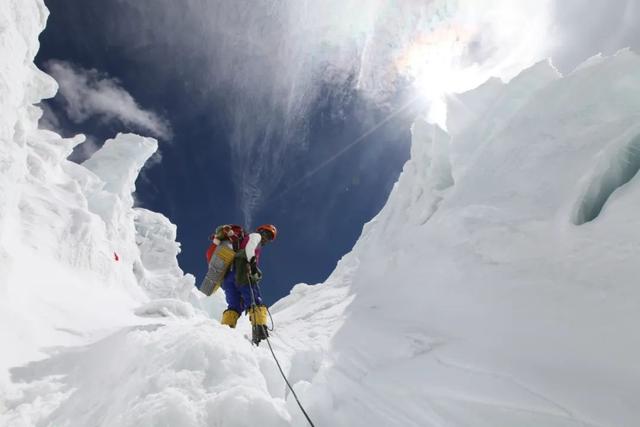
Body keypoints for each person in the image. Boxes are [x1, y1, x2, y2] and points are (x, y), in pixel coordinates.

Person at [219, 224, 277, 345]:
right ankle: (260, 334)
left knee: (234, 306)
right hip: (242, 270)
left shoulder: (240, 241)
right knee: (255, 301)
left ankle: (224, 334)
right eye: (267, 235)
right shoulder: (256, 236)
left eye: (270, 238)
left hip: (228, 276)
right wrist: (252, 262)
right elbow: (249, 248)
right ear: (261, 231)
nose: (267, 239)